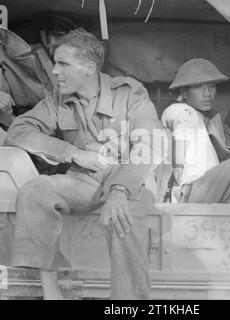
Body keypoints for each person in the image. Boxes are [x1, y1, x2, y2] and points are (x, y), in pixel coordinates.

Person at [4, 28, 165, 300]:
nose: (54, 71)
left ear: (89, 68)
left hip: (130, 179)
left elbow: (149, 147)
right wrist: (71, 152)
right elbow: (19, 131)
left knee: (122, 218)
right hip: (84, 180)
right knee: (37, 189)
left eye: (63, 64)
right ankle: (51, 293)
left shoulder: (130, 94)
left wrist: (119, 190)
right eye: (55, 63)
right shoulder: (57, 98)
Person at [161, 58, 230, 204]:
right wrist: (178, 173)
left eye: (211, 86)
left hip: (203, 188)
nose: (207, 93)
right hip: (190, 189)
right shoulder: (182, 111)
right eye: (198, 87)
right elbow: (181, 132)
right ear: (184, 92)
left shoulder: (209, 118)